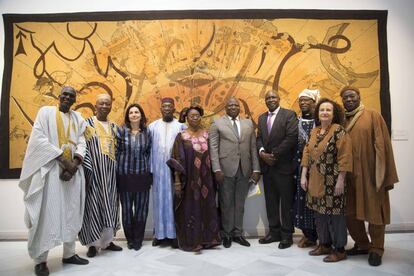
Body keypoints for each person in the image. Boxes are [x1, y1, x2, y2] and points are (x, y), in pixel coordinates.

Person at [19, 86, 89, 276]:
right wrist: (63, 160)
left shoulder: (78, 118)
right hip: (50, 172)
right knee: (45, 215)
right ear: (59, 96)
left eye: (71, 96)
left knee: (71, 213)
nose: (67, 97)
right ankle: (40, 261)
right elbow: (39, 140)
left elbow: (82, 142)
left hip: (72, 174)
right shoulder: (45, 113)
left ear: (75, 100)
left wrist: (74, 164)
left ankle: (69, 254)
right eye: (64, 94)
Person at [340, 86, 399, 266]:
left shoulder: (373, 116)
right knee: (349, 213)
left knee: (375, 213)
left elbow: (383, 145)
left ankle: (376, 249)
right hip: (348, 176)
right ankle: (362, 244)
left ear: (359, 97)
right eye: (345, 98)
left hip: (370, 174)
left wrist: (382, 174)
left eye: (352, 96)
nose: (349, 100)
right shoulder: (341, 120)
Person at [300, 98, 352, 262]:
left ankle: (340, 249)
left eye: (328, 110)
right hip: (315, 178)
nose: (324, 112)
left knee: (336, 215)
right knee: (319, 213)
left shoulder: (339, 131)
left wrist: (341, 180)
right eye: (322, 110)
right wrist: (303, 175)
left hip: (333, 180)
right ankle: (324, 244)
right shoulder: (315, 131)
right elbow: (307, 153)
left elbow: (345, 156)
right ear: (318, 113)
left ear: (334, 113)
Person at [209, 97, 260, 248]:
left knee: (240, 204)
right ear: (225, 107)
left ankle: (238, 234)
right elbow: (213, 148)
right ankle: (227, 234)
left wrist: (256, 169)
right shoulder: (217, 123)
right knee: (226, 203)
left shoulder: (248, 123)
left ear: (240, 107)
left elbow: (252, 148)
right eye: (230, 105)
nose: (233, 107)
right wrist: (216, 169)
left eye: (235, 105)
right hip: (225, 170)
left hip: (245, 169)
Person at [167, 106, 221, 251]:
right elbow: (176, 159)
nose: (195, 118)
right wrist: (177, 181)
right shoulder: (181, 136)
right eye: (192, 116)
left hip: (207, 181)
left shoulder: (207, 134)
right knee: (190, 209)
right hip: (189, 182)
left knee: (208, 208)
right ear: (186, 118)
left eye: (197, 115)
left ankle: (208, 240)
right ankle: (192, 240)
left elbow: (214, 156)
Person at [79, 94, 122, 257]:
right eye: (101, 103)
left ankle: (107, 241)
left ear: (111, 106)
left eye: (107, 104)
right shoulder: (87, 125)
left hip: (111, 177)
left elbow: (119, 152)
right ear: (95, 106)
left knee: (110, 206)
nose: (104, 106)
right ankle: (92, 244)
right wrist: (87, 172)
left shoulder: (114, 127)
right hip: (94, 175)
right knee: (93, 207)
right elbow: (82, 147)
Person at [256, 90, 298, 249]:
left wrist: (273, 154)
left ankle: (287, 235)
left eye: (273, 97)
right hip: (267, 168)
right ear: (265, 101)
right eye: (268, 98)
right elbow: (259, 138)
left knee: (286, 203)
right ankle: (274, 233)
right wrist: (262, 153)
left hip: (283, 167)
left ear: (279, 99)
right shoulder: (261, 118)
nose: (271, 100)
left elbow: (291, 138)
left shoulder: (289, 115)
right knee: (271, 202)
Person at [149, 97, 186, 248]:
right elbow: (149, 150)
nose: (167, 109)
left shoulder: (180, 126)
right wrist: (150, 170)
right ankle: (159, 234)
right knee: (158, 202)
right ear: (160, 109)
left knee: (173, 202)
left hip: (174, 172)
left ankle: (173, 235)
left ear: (174, 108)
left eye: (169, 106)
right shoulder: (152, 126)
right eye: (164, 106)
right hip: (157, 171)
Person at [116, 103, 152, 251]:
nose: (134, 115)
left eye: (137, 112)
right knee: (126, 209)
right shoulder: (121, 132)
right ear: (128, 116)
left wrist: (149, 173)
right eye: (131, 113)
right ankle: (130, 239)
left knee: (141, 209)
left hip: (142, 176)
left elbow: (149, 153)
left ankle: (138, 239)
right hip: (124, 176)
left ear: (141, 115)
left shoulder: (147, 133)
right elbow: (116, 152)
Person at [293, 89, 319, 248]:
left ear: (314, 102)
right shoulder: (295, 121)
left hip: (317, 170)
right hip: (298, 169)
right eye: (300, 100)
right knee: (300, 201)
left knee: (315, 201)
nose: (303, 103)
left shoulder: (320, 122)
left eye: (306, 100)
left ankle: (320, 235)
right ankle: (308, 235)